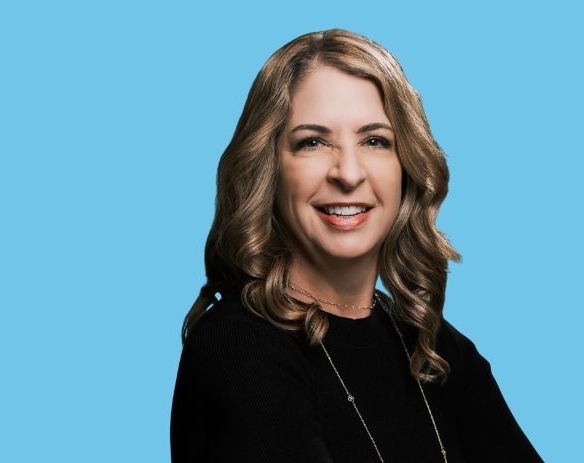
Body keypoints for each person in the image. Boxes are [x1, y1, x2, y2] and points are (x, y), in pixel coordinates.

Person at [170, 29, 543, 462]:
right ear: (268, 168)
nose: (348, 173)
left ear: (406, 166)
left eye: (374, 141)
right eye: (313, 142)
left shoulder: (437, 349)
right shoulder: (236, 347)